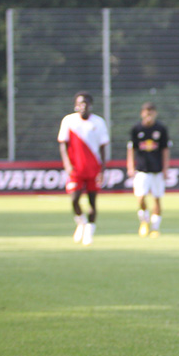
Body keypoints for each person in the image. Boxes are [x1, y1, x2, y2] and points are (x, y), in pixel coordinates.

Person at [58, 91, 110, 246]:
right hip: (76, 169)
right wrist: (67, 164)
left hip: (93, 168)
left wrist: (102, 169)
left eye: (86, 103)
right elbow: (63, 145)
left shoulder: (98, 122)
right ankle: (81, 222)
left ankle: (89, 232)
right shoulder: (69, 121)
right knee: (74, 199)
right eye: (80, 103)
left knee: (92, 202)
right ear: (75, 105)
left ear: (90, 105)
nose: (83, 106)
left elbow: (103, 147)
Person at [127, 101, 171, 237]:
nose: (149, 116)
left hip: (157, 169)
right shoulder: (136, 129)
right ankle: (144, 221)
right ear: (142, 114)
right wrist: (130, 166)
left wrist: (165, 168)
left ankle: (155, 227)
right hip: (141, 169)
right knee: (140, 198)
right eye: (147, 113)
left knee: (157, 198)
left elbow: (165, 149)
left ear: (155, 114)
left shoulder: (161, 129)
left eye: (151, 113)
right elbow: (131, 149)